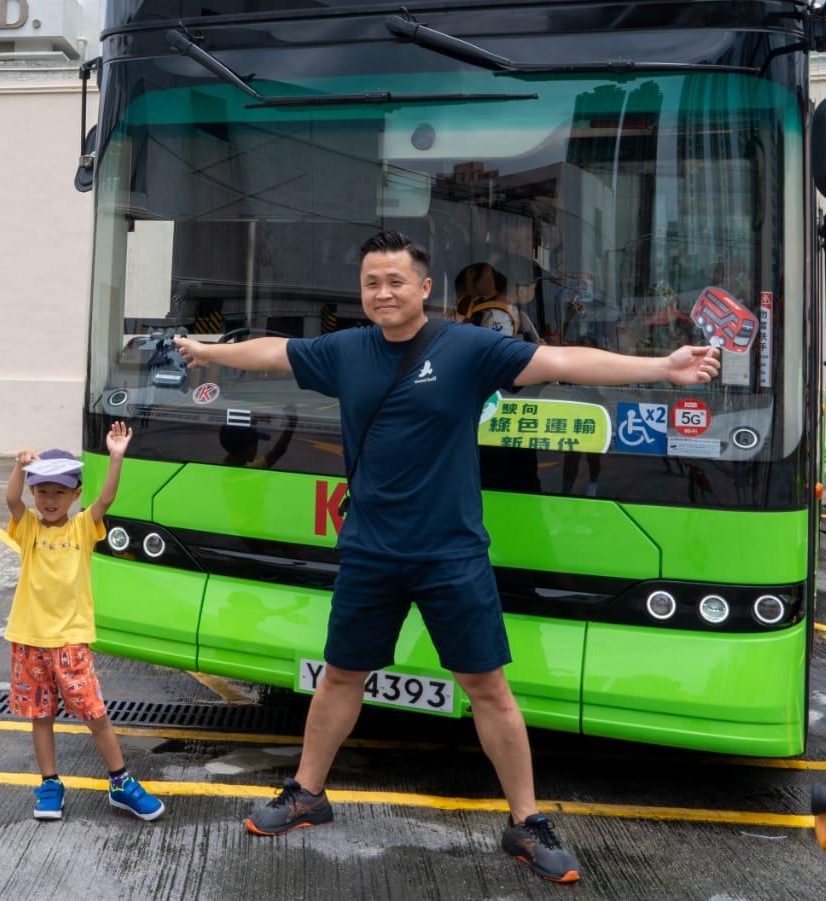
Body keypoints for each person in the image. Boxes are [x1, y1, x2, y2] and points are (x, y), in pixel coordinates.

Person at [178, 230, 720, 885]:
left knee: (487, 686)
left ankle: (526, 822)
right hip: (371, 549)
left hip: (451, 552)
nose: (383, 291)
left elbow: (560, 361)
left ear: (425, 287)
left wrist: (662, 368)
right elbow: (274, 352)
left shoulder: (466, 347)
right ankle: (307, 792)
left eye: (396, 280)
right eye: (372, 281)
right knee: (341, 674)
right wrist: (210, 348)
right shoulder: (346, 350)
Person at [4, 427, 165, 824]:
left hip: (71, 641)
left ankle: (120, 781)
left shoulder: (82, 528)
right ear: (33, 494)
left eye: (60, 492)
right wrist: (18, 467)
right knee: (41, 716)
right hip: (29, 640)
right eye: (42, 491)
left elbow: (106, 498)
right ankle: (50, 783)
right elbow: (10, 499)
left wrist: (115, 457)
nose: (50, 500)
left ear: (75, 494)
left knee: (95, 714)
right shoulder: (28, 529)